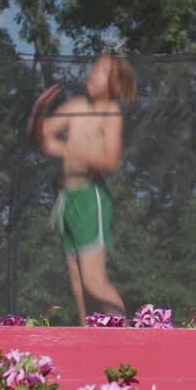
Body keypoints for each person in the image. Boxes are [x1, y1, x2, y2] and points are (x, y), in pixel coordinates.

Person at [27, 55, 137, 325]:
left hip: (90, 198)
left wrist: (68, 149)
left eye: (102, 72)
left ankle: (129, 336)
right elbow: (40, 137)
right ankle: (89, 338)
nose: (93, 74)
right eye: (93, 68)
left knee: (93, 282)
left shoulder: (110, 112)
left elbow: (110, 161)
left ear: (116, 85)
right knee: (78, 286)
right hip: (67, 200)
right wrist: (38, 113)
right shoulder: (75, 106)